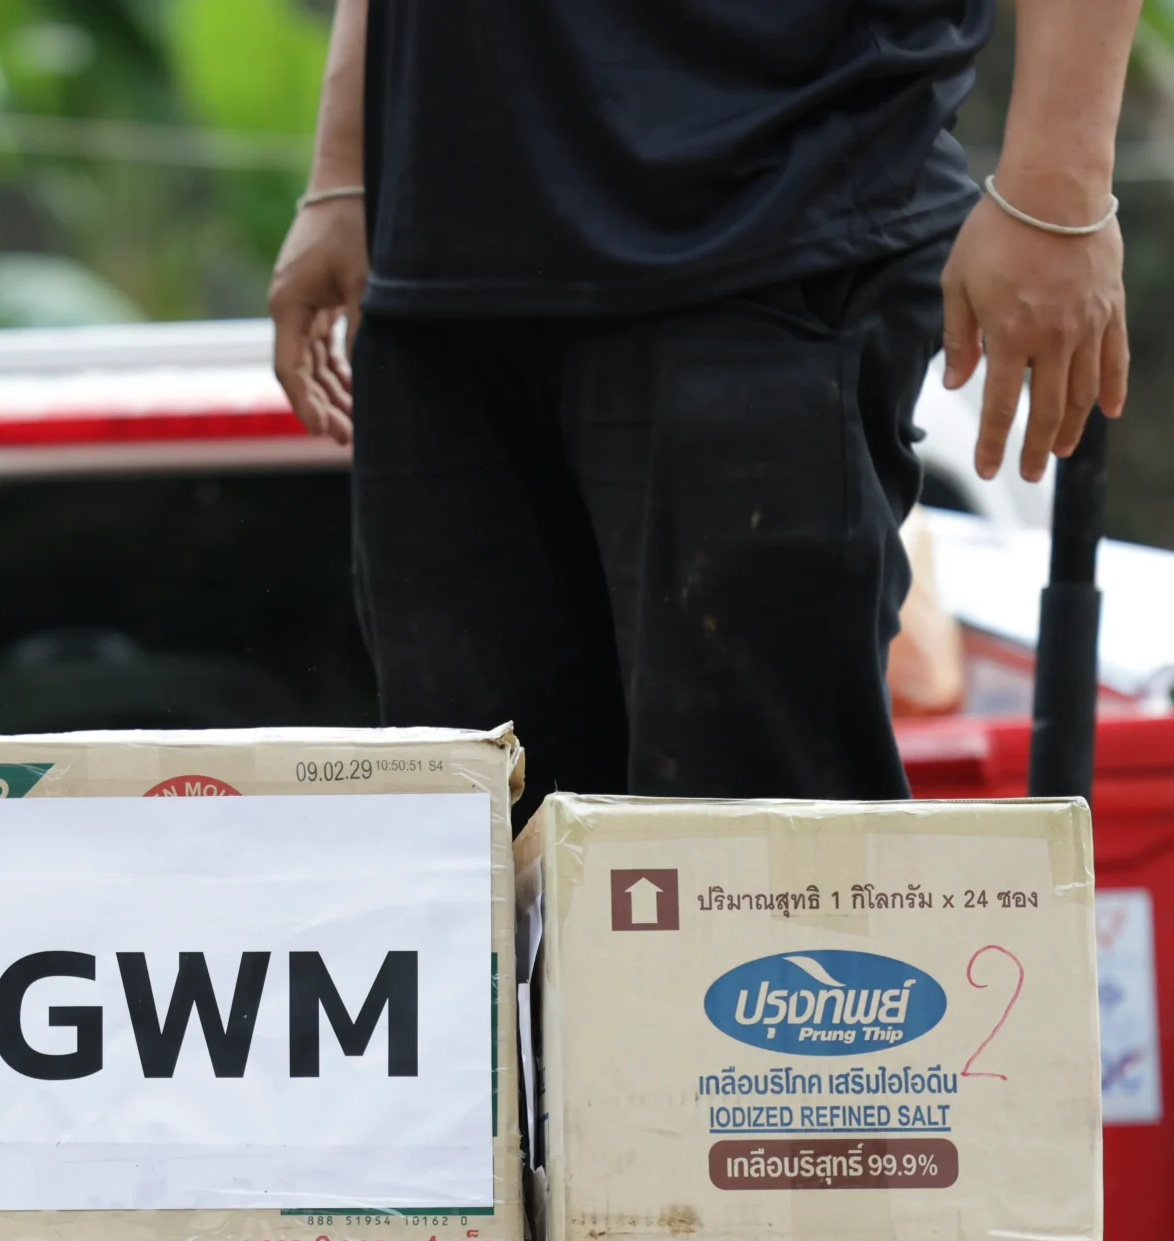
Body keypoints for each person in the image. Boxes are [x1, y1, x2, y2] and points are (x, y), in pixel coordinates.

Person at [267, 0, 1135, 813]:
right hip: (440, 250)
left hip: (763, 212)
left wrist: (1057, 192)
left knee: (748, 862)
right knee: (475, 853)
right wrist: (345, 170)